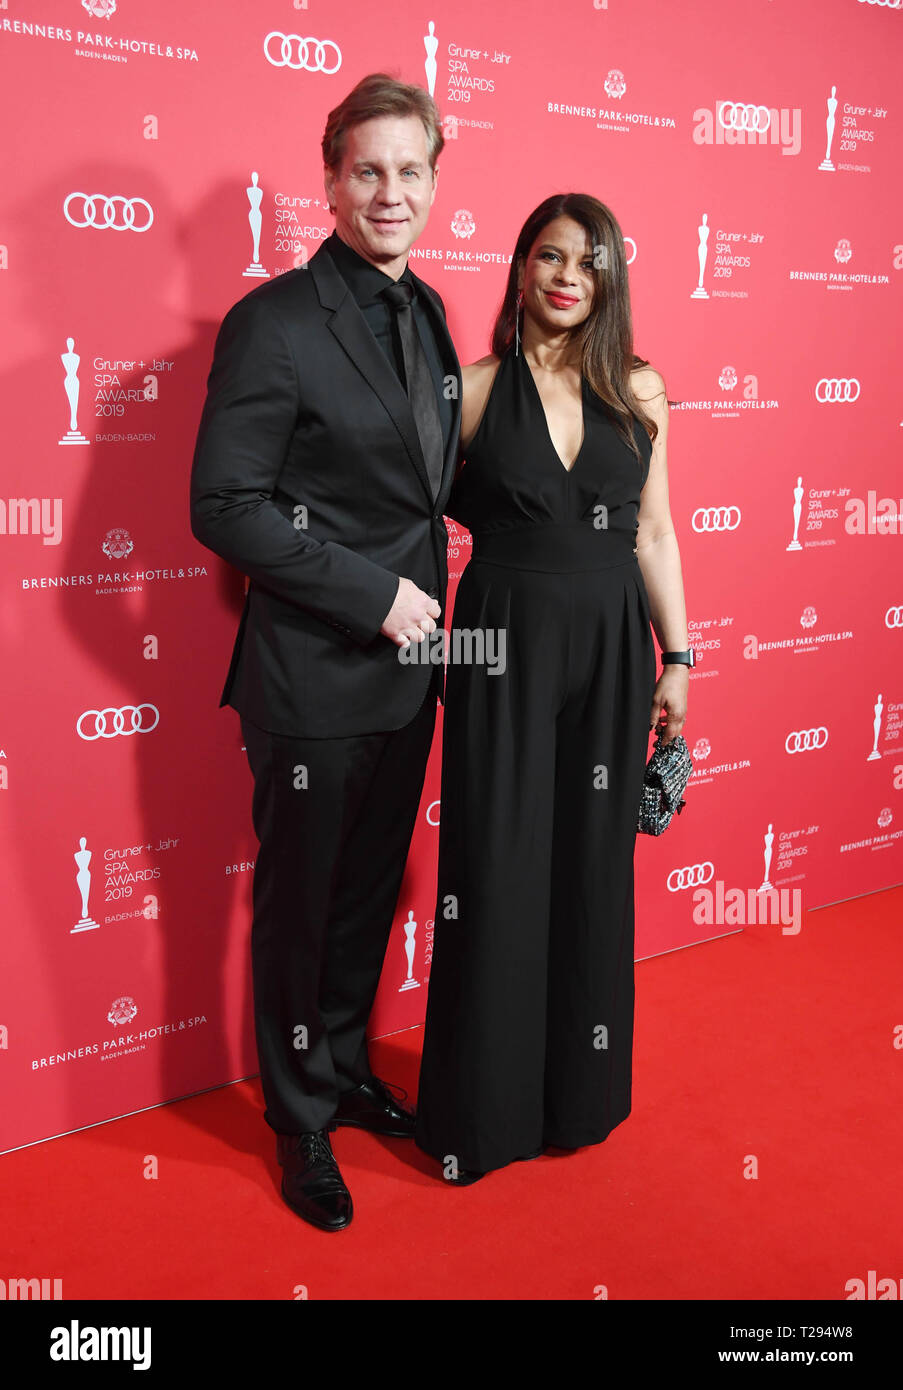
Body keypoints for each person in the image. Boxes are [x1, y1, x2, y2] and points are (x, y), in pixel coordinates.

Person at [190, 73, 461, 1230]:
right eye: (368, 170)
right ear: (332, 180)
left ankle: (344, 1069)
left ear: (435, 180)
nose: (389, 192)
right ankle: (298, 1119)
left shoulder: (436, 309)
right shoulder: (275, 321)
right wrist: (374, 595)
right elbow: (225, 505)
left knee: (363, 896)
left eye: (410, 170)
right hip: (309, 676)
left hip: (408, 682)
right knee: (302, 908)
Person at [414, 193, 692, 1183]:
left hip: (615, 650)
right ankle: (481, 1112)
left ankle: (579, 1094)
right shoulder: (476, 388)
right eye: (549, 256)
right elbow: (405, 514)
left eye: (589, 260)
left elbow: (654, 533)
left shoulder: (642, 389)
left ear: (611, 277)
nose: (569, 275)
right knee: (496, 866)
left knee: (589, 868)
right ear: (522, 268)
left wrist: (683, 658)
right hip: (499, 647)